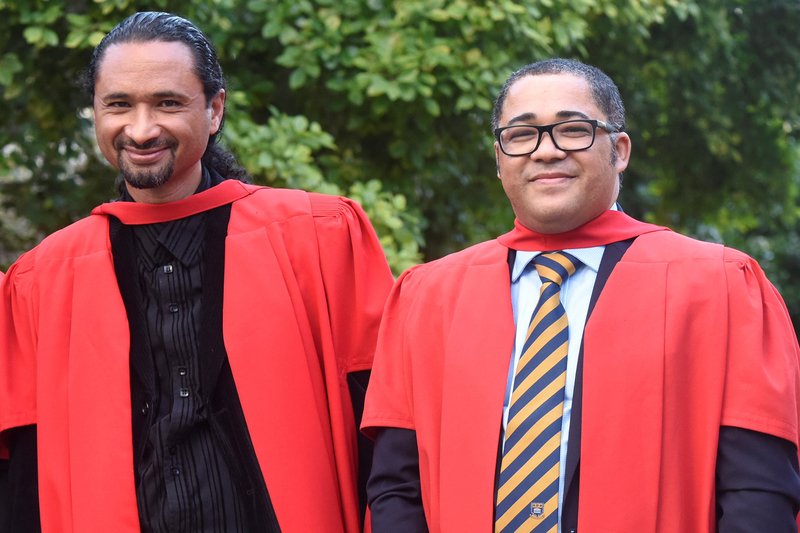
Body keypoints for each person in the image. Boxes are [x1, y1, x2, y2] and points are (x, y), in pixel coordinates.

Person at [361, 58, 800, 533]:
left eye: (573, 130)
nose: (545, 152)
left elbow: (758, 493)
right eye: (522, 135)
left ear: (621, 149)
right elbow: (396, 490)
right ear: (499, 157)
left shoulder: (721, 286)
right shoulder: (428, 298)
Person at [0, 12, 393, 533]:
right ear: (95, 112)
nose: (140, 130)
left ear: (214, 110)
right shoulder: (43, 280)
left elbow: (389, 431)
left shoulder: (319, 237)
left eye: (168, 102)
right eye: (118, 105)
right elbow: (21, 479)